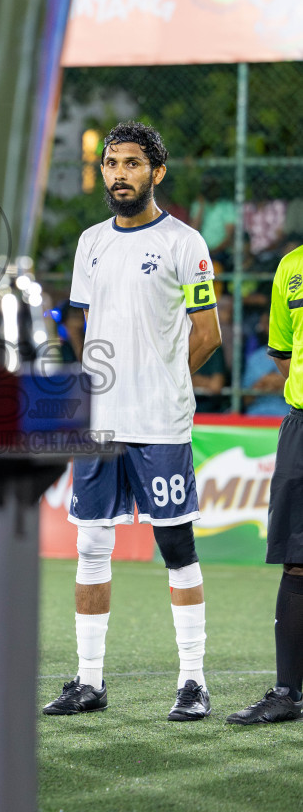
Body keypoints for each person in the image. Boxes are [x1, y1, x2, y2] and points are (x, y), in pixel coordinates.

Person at [43, 121, 221, 722]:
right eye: (111, 164)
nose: (118, 173)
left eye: (131, 164)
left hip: (160, 424)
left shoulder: (183, 243)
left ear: (156, 173)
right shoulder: (91, 241)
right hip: (99, 423)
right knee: (92, 545)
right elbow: (86, 324)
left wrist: (163, 382)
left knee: (175, 544)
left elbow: (208, 334)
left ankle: (193, 682)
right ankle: (88, 681)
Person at [226, 245, 303, 724]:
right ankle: (286, 693)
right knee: (298, 561)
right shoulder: (291, 267)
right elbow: (284, 354)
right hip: (302, 424)